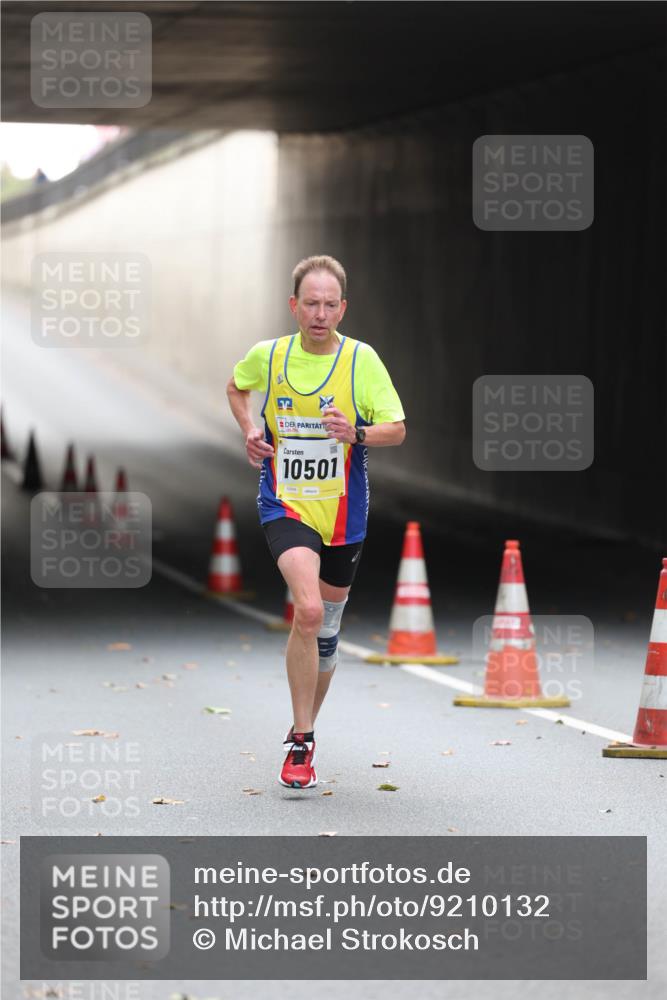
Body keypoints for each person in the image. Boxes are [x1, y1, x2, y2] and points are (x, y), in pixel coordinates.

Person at [226, 255, 405, 789]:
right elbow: (237, 387)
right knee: (307, 610)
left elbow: (397, 428)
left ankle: (306, 723)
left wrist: (357, 433)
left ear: (343, 308)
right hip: (286, 502)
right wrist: (249, 429)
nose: (320, 313)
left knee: (327, 630)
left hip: (344, 511)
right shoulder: (270, 356)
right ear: (294, 306)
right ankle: (301, 743)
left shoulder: (361, 361)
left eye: (330, 304)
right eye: (311, 303)